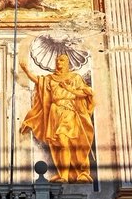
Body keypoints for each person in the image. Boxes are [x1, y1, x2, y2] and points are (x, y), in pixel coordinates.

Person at [19, 54, 96, 183]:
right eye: (57, 60)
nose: (58, 62)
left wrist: (70, 89)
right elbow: (38, 81)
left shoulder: (74, 77)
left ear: (67, 63)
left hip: (69, 111)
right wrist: (26, 70)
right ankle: (64, 176)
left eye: (62, 60)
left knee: (74, 144)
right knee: (60, 145)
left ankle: (80, 173)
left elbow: (86, 93)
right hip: (55, 112)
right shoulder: (51, 79)